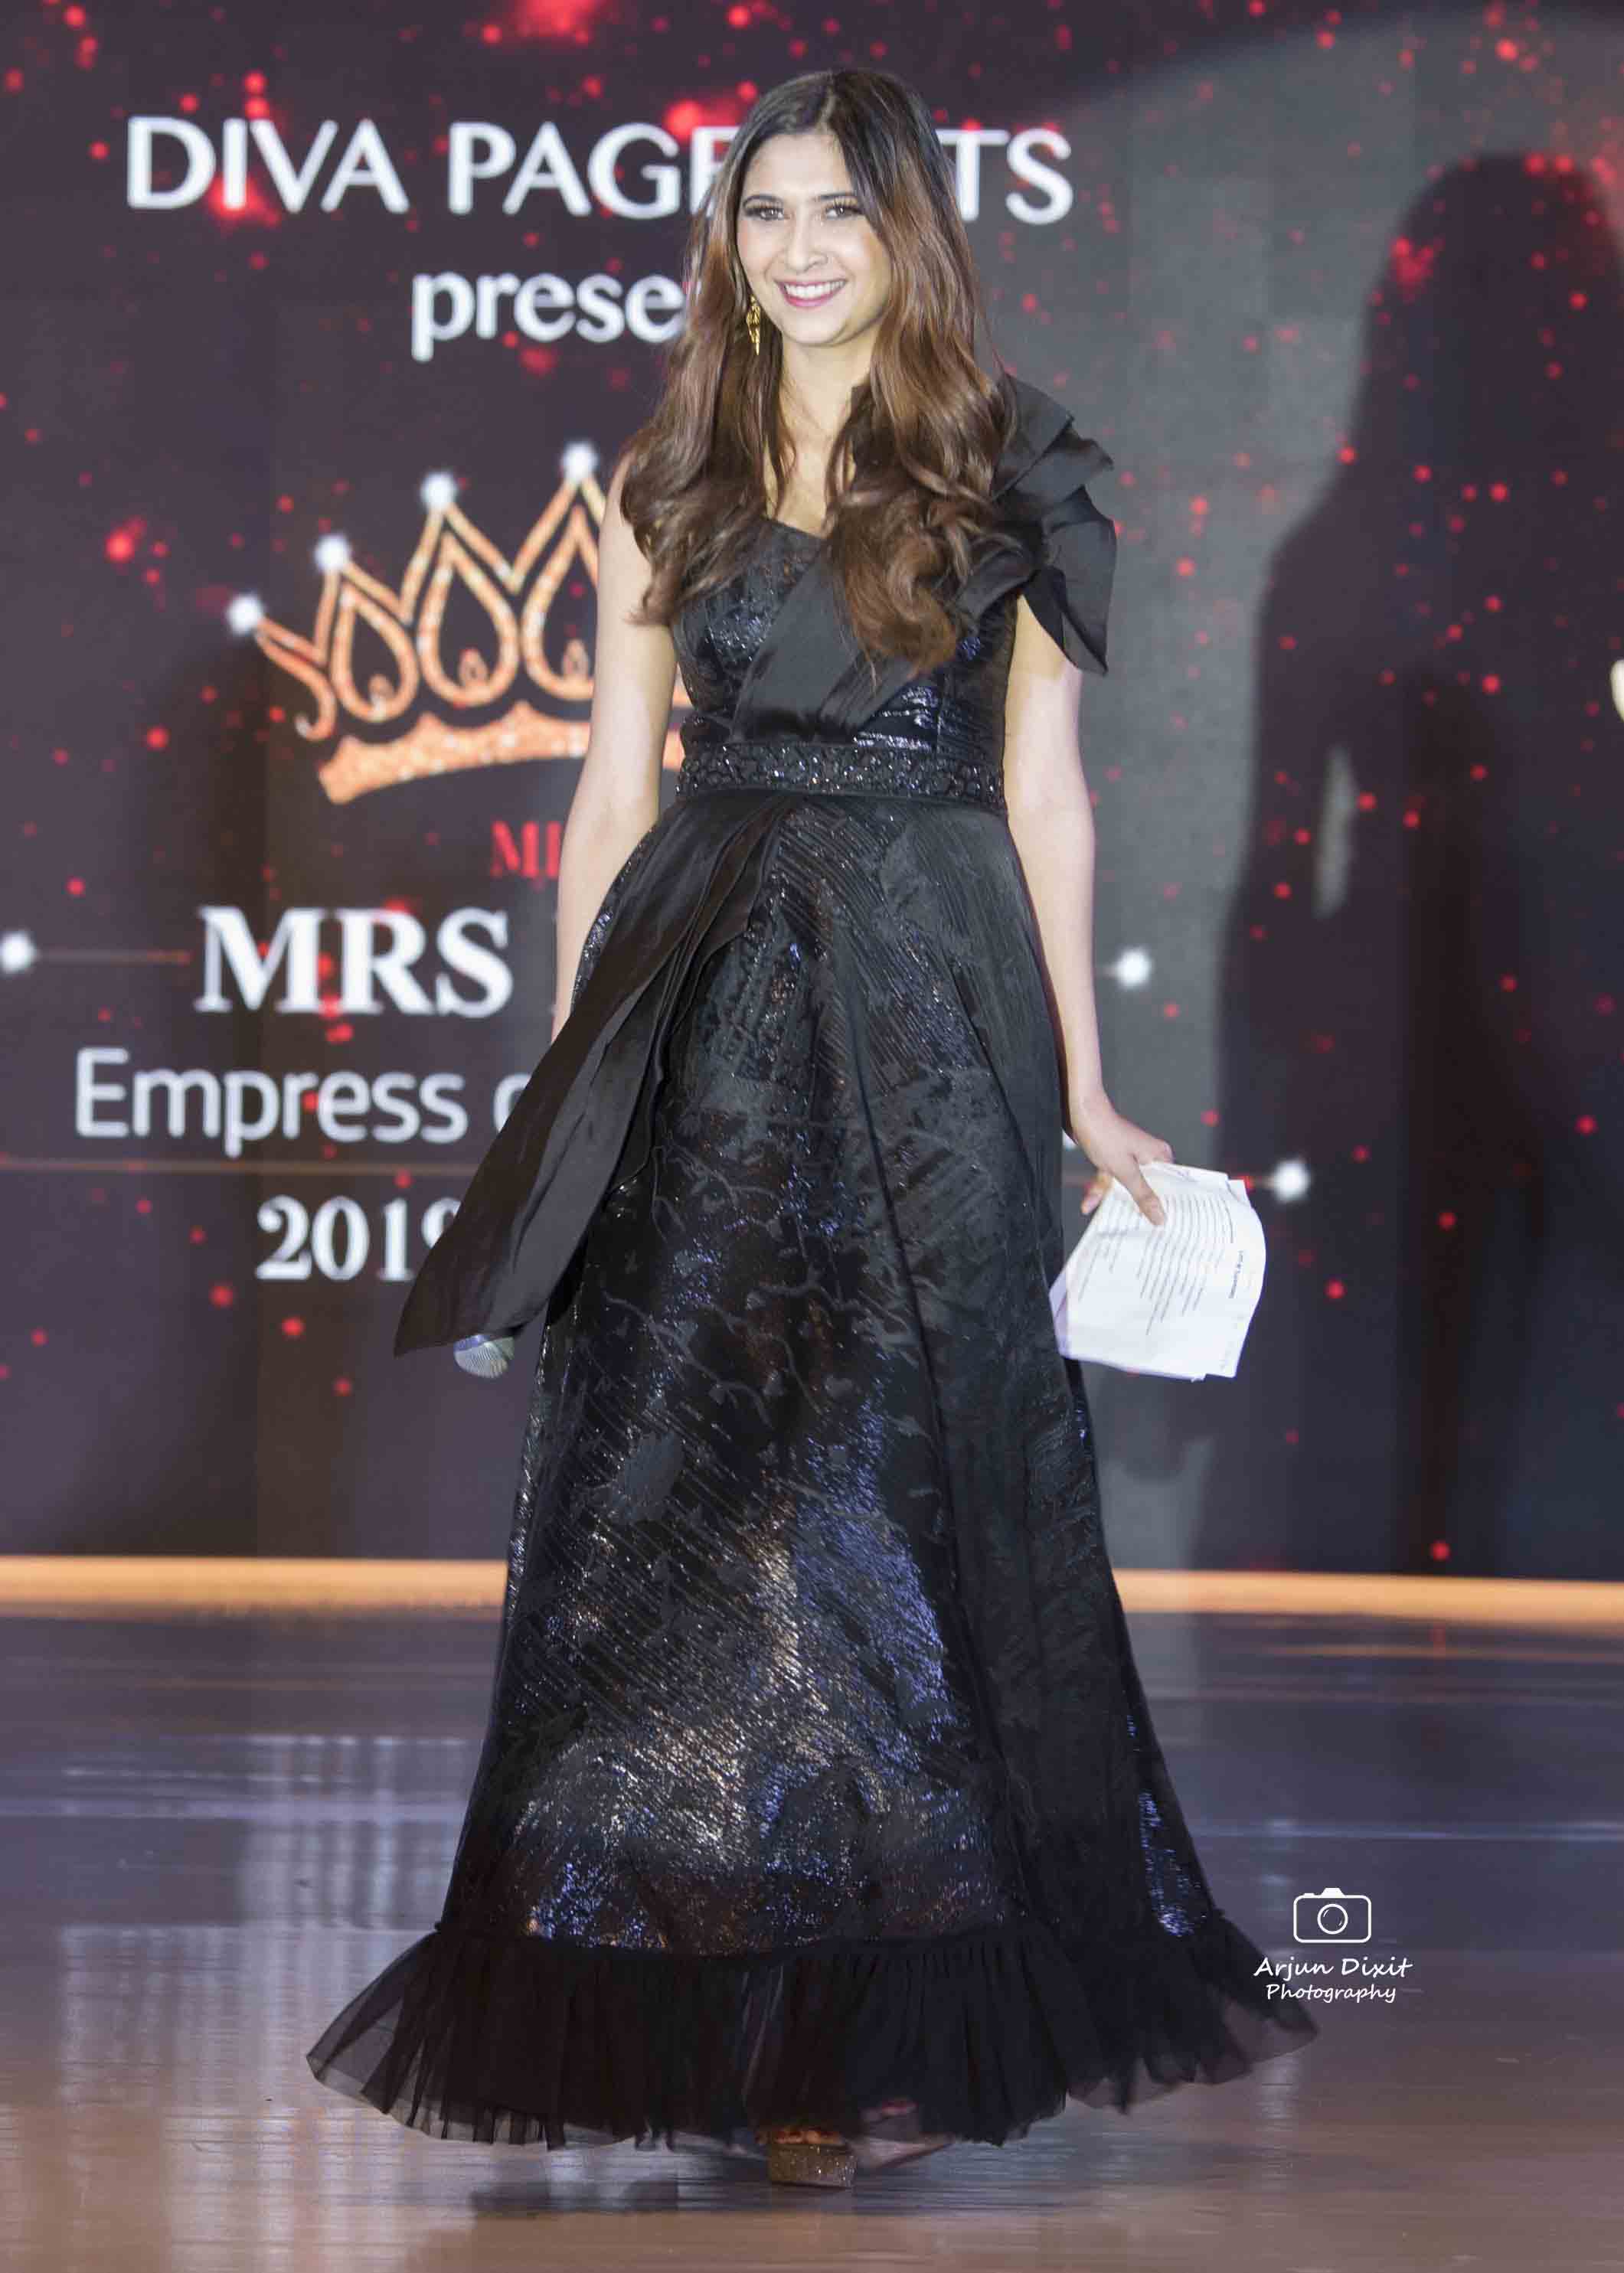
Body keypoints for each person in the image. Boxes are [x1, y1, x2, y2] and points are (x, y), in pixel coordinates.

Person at [306, 66, 1319, 2191]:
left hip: (932, 1008)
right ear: (731, 242)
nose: (797, 249)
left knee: (896, 1493)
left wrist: (1079, 1083)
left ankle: (869, 2016)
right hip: (702, 1001)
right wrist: (574, 1060)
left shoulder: (1011, 465)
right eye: (765, 211)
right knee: (685, 1492)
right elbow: (611, 787)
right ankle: (713, 2001)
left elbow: (1043, 793)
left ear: (904, 232)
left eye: (837, 211)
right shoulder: (672, 466)